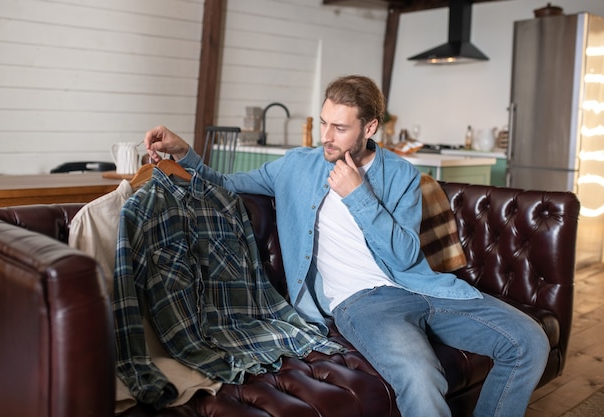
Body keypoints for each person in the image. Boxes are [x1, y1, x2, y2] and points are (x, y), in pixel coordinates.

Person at [143, 74, 549, 417]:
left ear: (369, 128)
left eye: (340, 128)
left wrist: (358, 195)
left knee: (529, 341)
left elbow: (405, 256)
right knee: (421, 375)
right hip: (363, 302)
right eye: (324, 123)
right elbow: (226, 186)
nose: (326, 137)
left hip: (424, 288)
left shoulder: (402, 174)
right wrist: (186, 153)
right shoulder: (296, 166)